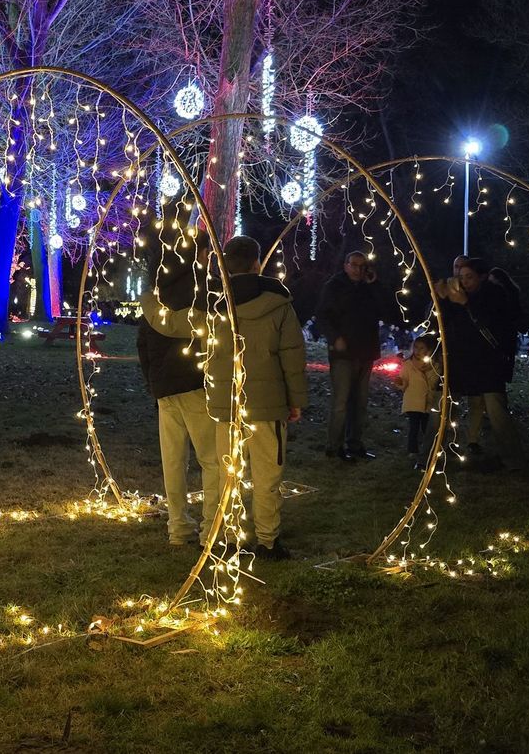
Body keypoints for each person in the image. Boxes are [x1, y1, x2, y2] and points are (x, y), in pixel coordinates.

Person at [205, 236, 307, 560]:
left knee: (230, 474)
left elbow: (209, 356)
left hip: (229, 405)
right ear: (256, 263)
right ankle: (267, 541)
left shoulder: (218, 304)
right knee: (268, 475)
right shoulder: (278, 304)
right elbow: (292, 355)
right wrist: (296, 400)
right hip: (267, 404)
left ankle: (232, 538)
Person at [136, 253, 217, 547]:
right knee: (212, 459)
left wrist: (153, 384)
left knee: (173, 460)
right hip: (196, 386)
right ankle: (212, 528)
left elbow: (143, 347)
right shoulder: (201, 300)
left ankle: (179, 526)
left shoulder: (152, 304)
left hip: (165, 389)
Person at [434, 257, 524, 470]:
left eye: (469, 277)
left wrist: (466, 303)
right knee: (443, 409)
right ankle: (432, 454)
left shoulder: (493, 295)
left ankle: (513, 459)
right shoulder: (457, 297)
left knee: (496, 411)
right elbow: (444, 324)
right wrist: (441, 300)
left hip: (488, 363)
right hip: (460, 360)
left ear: (481, 277)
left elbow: (494, 325)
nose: (465, 281)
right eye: (462, 277)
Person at [315, 250, 401, 461]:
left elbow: (386, 310)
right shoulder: (334, 286)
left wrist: (375, 285)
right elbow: (323, 315)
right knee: (342, 401)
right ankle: (334, 446)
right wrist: (335, 338)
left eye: (362, 266)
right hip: (343, 352)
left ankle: (355, 442)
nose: (358, 270)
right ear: (346, 265)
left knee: (360, 402)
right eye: (354, 265)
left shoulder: (368, 288)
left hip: (365, 349)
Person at [395, 335, 441, 470]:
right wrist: (400, 383)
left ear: (429, 350)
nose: (418, 351)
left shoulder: (434, 365)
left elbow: (434, 383)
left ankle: (427, 449)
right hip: (413, 401)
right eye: (416, 347)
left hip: (427, 402)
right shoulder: (408, 364)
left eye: (422, 348)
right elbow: (404, 381)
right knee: (414, 427)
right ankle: (413, 449)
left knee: (427, 428)